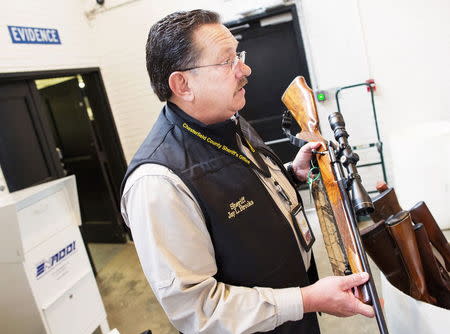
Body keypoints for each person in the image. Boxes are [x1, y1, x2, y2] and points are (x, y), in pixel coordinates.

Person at [120, 9, 374, 334]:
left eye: (238, 55)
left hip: (295, 311)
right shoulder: (157, 184)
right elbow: (198, 310)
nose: (246, 69)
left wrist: (292, 172)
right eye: (227, 61)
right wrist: (307, 299)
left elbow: (239, 180)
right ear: (182, 84)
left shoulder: (227, 118)